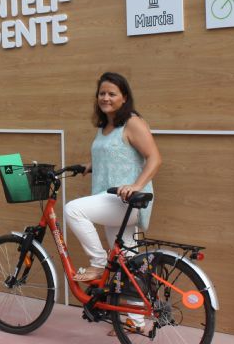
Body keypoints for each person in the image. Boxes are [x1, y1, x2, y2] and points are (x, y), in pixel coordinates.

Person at [64, 72, 162, 283]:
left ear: (124, 97)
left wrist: (136, 185)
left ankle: (98, 263)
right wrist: (90, 166)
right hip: (111, 198)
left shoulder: (132, 122)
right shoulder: (106, 126)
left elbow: (154, 158)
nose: (105, 98)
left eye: (112, 94)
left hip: (126, 199)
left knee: (73, 209)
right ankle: (135, 315)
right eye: (102, 93)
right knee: (127, 264)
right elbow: (116, 153)